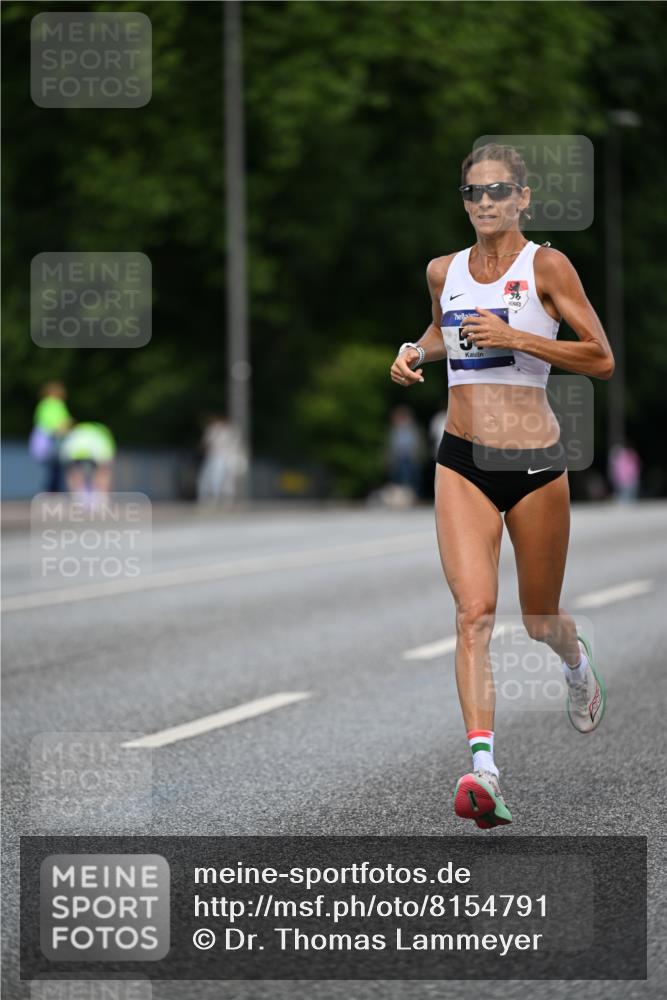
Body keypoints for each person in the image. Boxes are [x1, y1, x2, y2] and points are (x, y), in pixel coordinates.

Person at [390, 143, 614, 829]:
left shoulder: (545, 265)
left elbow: (599, 358)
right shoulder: (442, 270)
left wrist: (518, 337)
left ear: (522, 198)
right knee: (472, 613)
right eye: (472, 192)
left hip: (536, 465)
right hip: (460, 459)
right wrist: (412, 351)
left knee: (538, 616)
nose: (484, 203)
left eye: (497, 191)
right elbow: (442, 329)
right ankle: (483, 771)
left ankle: (574, 662)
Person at [60, 421, 116, 506]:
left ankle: (76, 495)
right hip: (96, 445)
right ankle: (102, 496)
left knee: (74, 471)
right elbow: (108, 458)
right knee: (103, 471)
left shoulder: (77, 430)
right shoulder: (102, 433)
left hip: (75, 445)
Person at [30, 381, 72, 492]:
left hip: (53, 440)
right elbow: (52, 423)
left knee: (54, 469)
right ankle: (52, 492)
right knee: (55, 468)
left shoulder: (45, 405)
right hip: (52, 441)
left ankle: (52, 491)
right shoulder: (52, 404)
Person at [197, 414, 247, 505]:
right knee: (211, 479)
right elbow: (205, 444)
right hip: (214, 457)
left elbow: (236, 445)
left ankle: (225, 499)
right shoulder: (213, 430)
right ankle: (211, 498)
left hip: (226, 458)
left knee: (226, 480)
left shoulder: (230, 431)